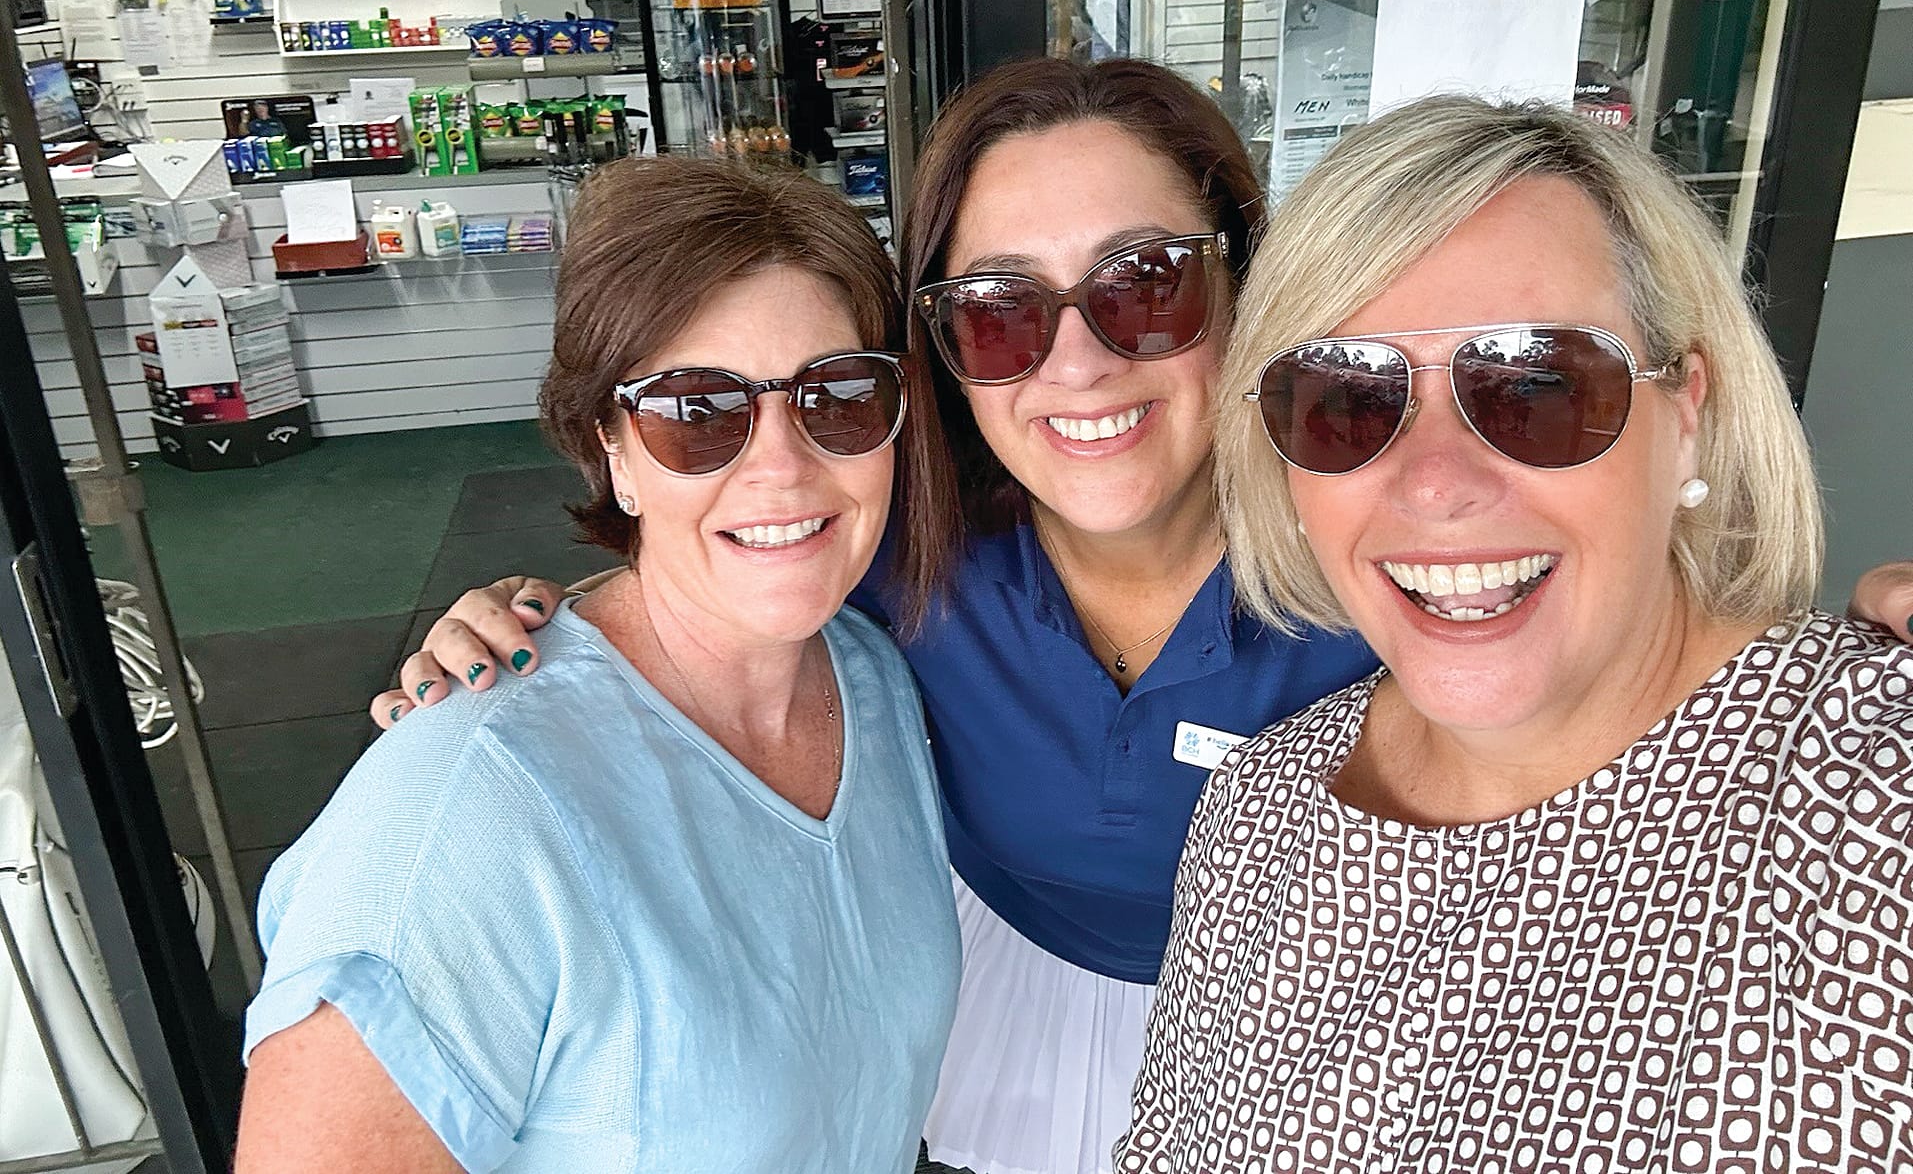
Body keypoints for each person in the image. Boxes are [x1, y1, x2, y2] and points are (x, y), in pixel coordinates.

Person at [368, 59, 1913, 1174]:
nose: (1078, 361)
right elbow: (731, 570)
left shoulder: (1387, 575)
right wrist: (547, 618)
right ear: (942, 359)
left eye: (1145, 285)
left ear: (1243, 288)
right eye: (996, 311)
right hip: (1008, 1041)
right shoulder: (907, 567)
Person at [1117, 96, 1913, 1172]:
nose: (1435, 483)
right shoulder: (1259, 814)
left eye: (1536, 386)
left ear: (1685, 414)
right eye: (1347, 399)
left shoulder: (1862, 806)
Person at [236, 157, 962, 1172]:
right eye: (695, 413)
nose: (781, 467)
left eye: (835, 395)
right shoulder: (464, 822)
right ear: (609, 447)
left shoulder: (877, 682)